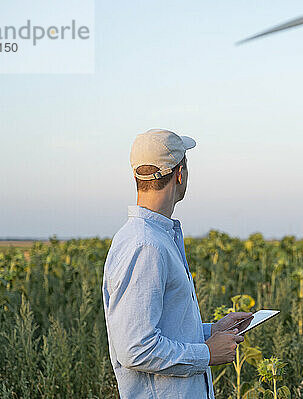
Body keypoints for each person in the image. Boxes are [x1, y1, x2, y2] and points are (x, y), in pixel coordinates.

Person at [102, 128, 253, 399]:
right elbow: (135, 348)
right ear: (180, 174)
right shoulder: (146, 245)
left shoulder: (152, 237)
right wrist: (207, 353)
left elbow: (162, 327)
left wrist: (212, 330)